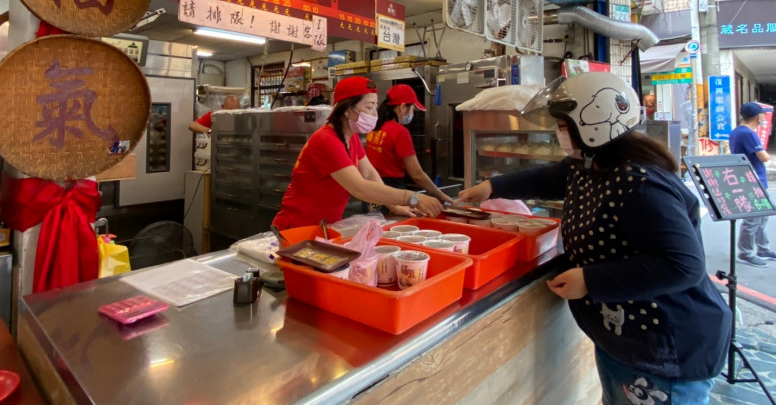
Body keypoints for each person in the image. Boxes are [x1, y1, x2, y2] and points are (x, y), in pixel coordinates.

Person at [454, 72, 731, 405]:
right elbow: (548, 178)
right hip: (624, 341)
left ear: (595, 124)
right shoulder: (590, 164)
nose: (559, 133)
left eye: (563, 125)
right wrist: (493, 187)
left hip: (666, 346)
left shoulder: (640, 184)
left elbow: (683, 265)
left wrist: (589, 280)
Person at [272, 76, 444, 230]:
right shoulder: (326, 140)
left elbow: (369, 173)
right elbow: (360, 188)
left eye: (375, 106)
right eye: (369, 107)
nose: (375, 114)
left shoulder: (350, 137)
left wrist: (394, 206)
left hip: (323, 227)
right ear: (347, 109)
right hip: (296, 227)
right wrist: (412, 198)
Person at [365, 84, 451, 205]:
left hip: (370, 190)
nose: (413, 114)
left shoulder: (375, 126)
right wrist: (440, 195)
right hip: (391, 191)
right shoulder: (400, 132)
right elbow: (417, 175)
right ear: (403, 107)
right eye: (413, 109)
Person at [730, 101, 775, 267]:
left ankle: (763, 248)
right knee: (753, 219)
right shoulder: (747, 133)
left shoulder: (737, 131)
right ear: (758, 117)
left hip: (751, 178)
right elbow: (763, 157)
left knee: (762, 216)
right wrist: (768, 155)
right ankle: (745, 252)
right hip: (752, 180)